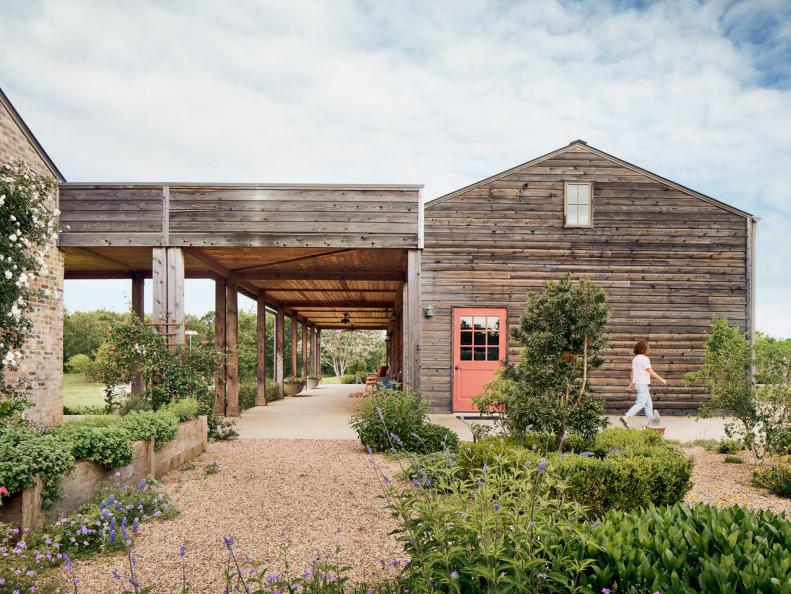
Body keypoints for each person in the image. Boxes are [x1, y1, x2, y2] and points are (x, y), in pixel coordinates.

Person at [620, 340, 666, 428]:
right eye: (648, 348)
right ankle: (626, 417)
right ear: (643, 349)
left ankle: (651, 422)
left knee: (648, 403)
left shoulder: (635, 359)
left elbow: (633, 372)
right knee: (641, 403)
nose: (649, 350)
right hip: (642, 384)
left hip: (639, 384)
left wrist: (631, 383)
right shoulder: (645, 359)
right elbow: (651, 372)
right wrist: (661, 379)